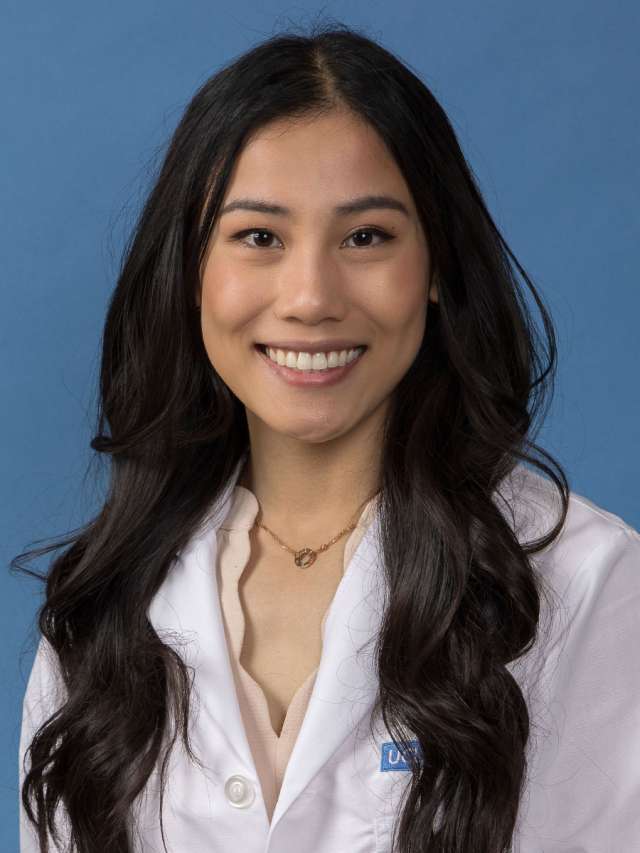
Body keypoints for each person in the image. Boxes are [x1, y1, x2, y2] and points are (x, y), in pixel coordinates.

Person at [16, 21, 640, 853]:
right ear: (191, 272)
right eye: (259, 237)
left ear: (439, 272)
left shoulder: (583, 579)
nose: (311, 295)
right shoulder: (103, 599)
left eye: (366, 237)